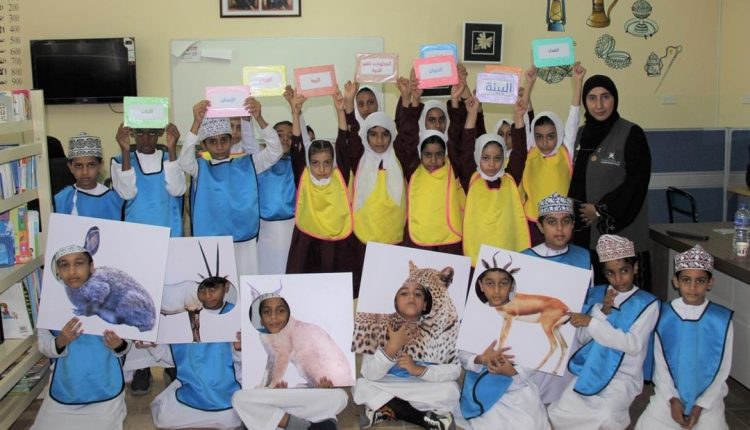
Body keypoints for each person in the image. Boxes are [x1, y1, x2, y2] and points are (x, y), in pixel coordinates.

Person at [548, 234, 659, 429]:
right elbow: (583, 339)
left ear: (635, 267)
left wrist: (593, 322)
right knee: (560, 413)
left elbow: (632, 345)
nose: (618, 279)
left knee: (604, 417)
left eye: (624, 270)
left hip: (623, 376)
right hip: (590, 368)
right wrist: (602, 312)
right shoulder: (598, 294)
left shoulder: (648, 303)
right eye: (610, 273)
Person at [178, 98, 282, 276]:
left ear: (231, 140)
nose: (219, 146)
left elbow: (275, 151)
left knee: (245, 279)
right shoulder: (200, 168)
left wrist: (259, 118)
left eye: (223, 140)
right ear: (204, 145)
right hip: (212, 240)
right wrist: (196, 123)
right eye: (213, 142)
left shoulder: (248, 163)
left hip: (244, 238)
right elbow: (184, 160)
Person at [31, 246, 132, 430]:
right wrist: (60, 341)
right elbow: (44, 344)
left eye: (79, 263)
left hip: (105, 392)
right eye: (64, 265)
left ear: (91, 266)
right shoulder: (50, 304)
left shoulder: (114, 301)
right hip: (65, 391)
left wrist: (118, 345)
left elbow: (126, 346)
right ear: (57, 270)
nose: (72, 271)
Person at [635, 245, 733, 430]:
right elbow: (660, 366)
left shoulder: (721, 320)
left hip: (708, 401)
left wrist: (700, 406)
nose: (693, 287)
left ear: (710, 283)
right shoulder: (663, 315)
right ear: (676, 281)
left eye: (700, 280)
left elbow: (722, 370)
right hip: (668, 396)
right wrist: (672, 399)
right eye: (686, 280)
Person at [567, 75, 652, 291]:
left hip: (621, 232)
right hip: (585, 236)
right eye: (592, 98)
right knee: (594, 298)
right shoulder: (582, 134)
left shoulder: (631, 133)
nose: (599, 105)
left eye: (605, 97)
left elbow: (637, 182)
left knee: (625, 298)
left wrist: (600, 210)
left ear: (615, 98)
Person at [231, 292, 348, 430]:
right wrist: (239, 351)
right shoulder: (258, 338)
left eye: (280, 311)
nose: (273, 317)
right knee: (238, 398)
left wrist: (323, 389)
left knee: (340, 397)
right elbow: (249, 377)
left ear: (289, 314)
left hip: (301, 395)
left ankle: (286, 421)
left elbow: (283, 357)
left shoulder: (291, 330)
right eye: (267, 312)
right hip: (284, 400)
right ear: (261, 318)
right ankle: (303, 425)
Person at [352, 282, 459, 430]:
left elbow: (454, 370)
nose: (411, 297)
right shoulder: (377, 326)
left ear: (425, 304)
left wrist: (418, 370)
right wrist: (391, 348)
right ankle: (424, 418)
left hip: (423, 386)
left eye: (418, 294)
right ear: (394, 301)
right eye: (404, 293)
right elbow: (369, 373)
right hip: (389, 384)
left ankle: (386, 409)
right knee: (361, 386)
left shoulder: (443, 329)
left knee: (451, 390)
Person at [459, 265, 550, 430]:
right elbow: (463, 355)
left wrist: (513, 372)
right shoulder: (472, 315)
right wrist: (480, 359)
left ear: (512, 285)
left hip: (517, 388)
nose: (497, 290)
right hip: (481, 388)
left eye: (503, 283)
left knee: (528, 424)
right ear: (481, 286)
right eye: (490, 283)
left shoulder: (527, 316)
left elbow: (535, 353)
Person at [148, 276, 242, 429]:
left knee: (231, 418)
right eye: (201, 289)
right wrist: (154, 346)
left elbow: (245, 364)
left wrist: (239, 350)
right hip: (192, 389)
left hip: (226, 391)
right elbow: (173, 359)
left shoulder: (236, 314)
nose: (207, 295)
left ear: (226, 287)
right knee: (163, 417)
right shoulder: (182, 316)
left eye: (213, 289)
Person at [341, 82, 405, 296]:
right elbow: (351, 138)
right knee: (367, 289)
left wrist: (408, 98)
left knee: (392, 289)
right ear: (366, 136)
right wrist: (347, 105)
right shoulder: (359, 156)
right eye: (373, 134)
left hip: (394, 237)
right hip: (363, 235)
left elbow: (408, 131)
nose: (379, 140)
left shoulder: (399, 157)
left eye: (385, 134)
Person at [286, 90, 355, 275]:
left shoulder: (339, 176)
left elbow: (343, 142)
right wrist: (295, 113)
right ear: (309, 163)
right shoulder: (304, 176)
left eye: (327, 163)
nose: (322, 169)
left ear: (333, 162)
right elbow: (296, 146)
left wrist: (340, 110)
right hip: (307, 242)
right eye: (316, 163)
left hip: (337, 243)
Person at [514, 65, 585, 245]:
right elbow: (524, 116)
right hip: (532, 221)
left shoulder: (565, 151)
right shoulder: (530, 151)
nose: (544, 142)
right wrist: (529, 84)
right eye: (539, 137)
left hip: (562, 223)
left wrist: (578, 82)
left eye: (550, 136)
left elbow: (574, 118)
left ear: (558, 135)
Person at [460, 96, 530, 267]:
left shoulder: (510, 178)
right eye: (485, 158)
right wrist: (472, 114)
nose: (492, 164)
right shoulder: (471, 179)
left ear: (504, 157)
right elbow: (466, 150)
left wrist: (519, 117)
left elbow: (520, 153)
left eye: (497, 158)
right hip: (479, 250)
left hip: (508, 248)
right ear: (478, 156)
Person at [111, 121, 185, 237]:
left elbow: (177, 191)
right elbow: (127, 194)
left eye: (152, 133)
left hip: (169, 235)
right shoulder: (120, 161)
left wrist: (172, 149)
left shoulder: (171, 159)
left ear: (160, 132)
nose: (145, 139)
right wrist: (125, 151)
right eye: (140, 133)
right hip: (135, 236)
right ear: (131, 132)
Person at [53, 133, 123, 220]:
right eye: (79, 166)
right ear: (70, 167)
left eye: (91, 165)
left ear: (100, 165)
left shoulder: (114, 199)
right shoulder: (62, 199)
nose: (85, 172)